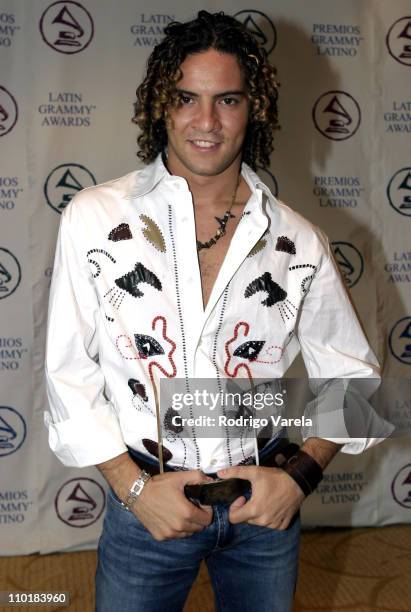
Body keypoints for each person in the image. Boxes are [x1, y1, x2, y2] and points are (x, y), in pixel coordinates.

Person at [44, 10, 386, 612]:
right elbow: (69, 373)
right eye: (186, 98)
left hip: (262, 513)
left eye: (226, 99)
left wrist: (298, 478)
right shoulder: (96, 218)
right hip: (147, 505)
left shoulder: (296, 239)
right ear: (160, 105)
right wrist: (134, 489)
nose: (207, 122)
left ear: (254, 108)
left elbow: (354, 377)